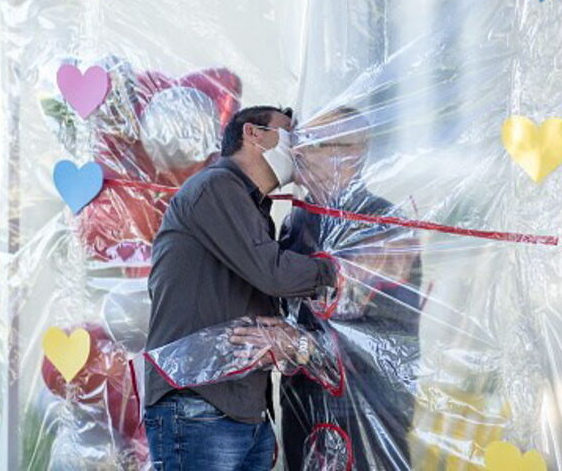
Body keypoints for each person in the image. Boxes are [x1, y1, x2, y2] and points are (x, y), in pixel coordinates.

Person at [143, 105, 337, 471]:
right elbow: (274, 274)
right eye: (291, 134)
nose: (300, 148)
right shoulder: (217, 187)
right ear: (253, 133)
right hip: (198, 403)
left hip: (242, 408)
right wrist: (337, 271)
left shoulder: (253, 206)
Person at [277, 106, 423, 470]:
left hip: (363, 404)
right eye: (299, 142)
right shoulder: (296, 222)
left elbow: (381, 332)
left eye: (314, 144)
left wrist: (303, 345)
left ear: (352, 153)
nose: (298, 153)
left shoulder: (383, 226)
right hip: (302, 400)